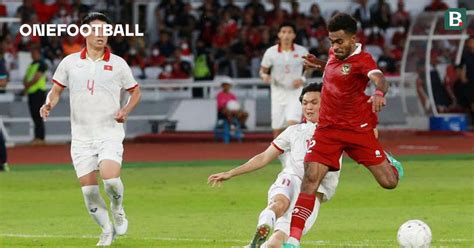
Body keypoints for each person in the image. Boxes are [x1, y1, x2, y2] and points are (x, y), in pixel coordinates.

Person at [283, 13, 404, 248]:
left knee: (389, 183)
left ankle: (389, 161)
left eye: (339, 41)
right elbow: (334, 69)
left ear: (353, 39)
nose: (334, 46)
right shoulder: (333, 54)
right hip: (327, 129)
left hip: (358, 130)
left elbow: (380, 79)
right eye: (331, 41)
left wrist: (379, 93)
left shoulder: (364, 60)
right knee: (310, 179)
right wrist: (317, 64)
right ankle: (293, 240)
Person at [39, 12, 141, 246]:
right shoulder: (69, 62)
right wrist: (48, 104)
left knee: (111, 180)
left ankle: (117, 208)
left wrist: (125, 110)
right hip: (81, 137)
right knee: (89, 192)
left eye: (105, 31)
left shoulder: (118, 64)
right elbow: (56, 91)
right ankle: (106, 230)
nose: (101, 35)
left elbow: (135, 91)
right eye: (96, 30)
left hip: (109, 133)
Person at [209, 83, 340, 248]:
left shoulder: (338, 131)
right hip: (291, 178)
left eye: (314, 102)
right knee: (279, 202)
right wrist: (231, 173)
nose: (308, 107)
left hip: (313, 191)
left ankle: (255, 243)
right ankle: (264, 225)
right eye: (305, 103)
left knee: (275, 244)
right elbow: (264, 157)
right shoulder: (293, 131)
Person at [260, 22, 309, 138]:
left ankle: (294, 154)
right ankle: (281, 155)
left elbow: (309, 68)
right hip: (278, 92)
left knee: (293, 124)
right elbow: (263, 70)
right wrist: (264, 76)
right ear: (279, 34)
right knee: (277, 130)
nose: (286, 35)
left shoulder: (302, 51)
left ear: (294, 35)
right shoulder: (270, 52)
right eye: (284, 32)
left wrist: (303, 78)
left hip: (295, 91)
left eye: (289, 32)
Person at [23, 46, 47, 145]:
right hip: (32, 92)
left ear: (38, 53)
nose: (32, 55)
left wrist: (27, 86)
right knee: (34, 115)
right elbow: (26, 77)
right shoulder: (31, 64)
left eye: (34, 52)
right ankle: (37, 137)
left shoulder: (42, 64)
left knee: (38, 115)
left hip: (38, 92)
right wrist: (26, 85)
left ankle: (40, 137)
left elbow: (36, 78)